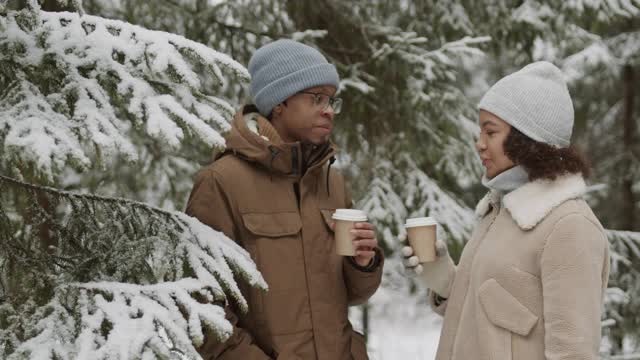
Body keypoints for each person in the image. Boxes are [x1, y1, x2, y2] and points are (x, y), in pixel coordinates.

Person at [186, 39, 383, 360]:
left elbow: (354, 294)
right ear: (279, 103)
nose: (329, 110)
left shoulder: (332, 182)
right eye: (317, 98)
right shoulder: (221, 182)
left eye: (332, 100)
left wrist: (363, 263)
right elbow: (202, 309)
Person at [402, 61, 610, 359]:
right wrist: (440, 276)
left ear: (527, 139)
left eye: (491, 132)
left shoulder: (569, 226)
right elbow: (488, 315)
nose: (479, 144)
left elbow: (573, 352)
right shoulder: (498, 211)